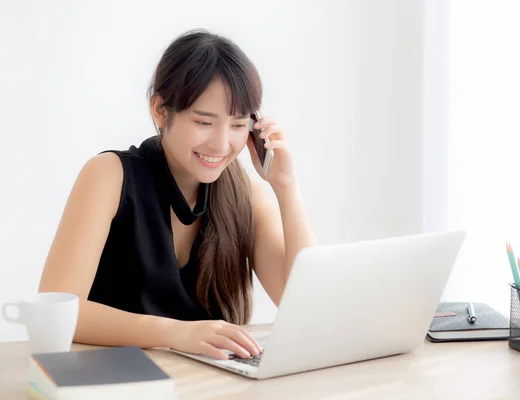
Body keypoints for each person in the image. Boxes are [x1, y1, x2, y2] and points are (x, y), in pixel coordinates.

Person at [38, 29, 317, 361]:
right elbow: (57, 311)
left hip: (207, 385)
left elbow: (309, 310)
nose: (221, 143)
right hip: (115, 381)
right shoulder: (109, 176)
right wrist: (174, 333)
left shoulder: (246, 196)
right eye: (203, 122)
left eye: (239, 125)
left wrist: (288, 190)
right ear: (160, 110)